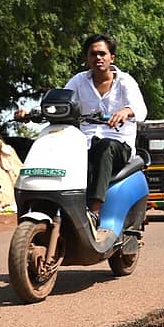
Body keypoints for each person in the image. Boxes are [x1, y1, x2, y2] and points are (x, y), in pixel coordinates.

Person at [19, 34, 147, 226]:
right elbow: (61, 102)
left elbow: (141, 110)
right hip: (84, 144)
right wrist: (30, 113)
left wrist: (125, 111)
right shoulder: (78, 81)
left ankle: (94, 211)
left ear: (112, 57)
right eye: (93, 54)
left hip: (118, 145)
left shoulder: (125, 81)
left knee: (105, 147)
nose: (98, 58)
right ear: (87, 58)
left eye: (102, 54)